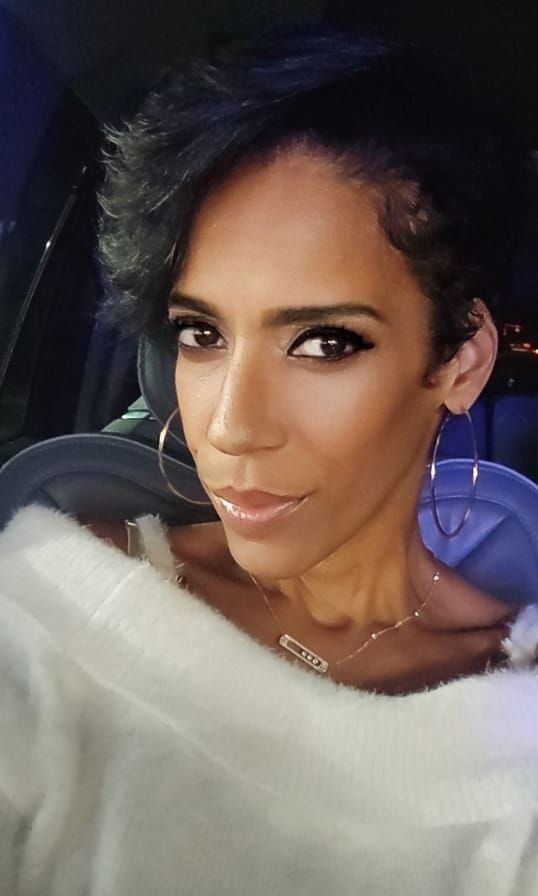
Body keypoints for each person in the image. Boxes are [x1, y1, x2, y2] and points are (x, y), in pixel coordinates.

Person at [1, 21, 537, 896]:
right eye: (201, 332)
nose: (230, 426)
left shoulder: (517, 736)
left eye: (323, 342)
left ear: (460, 362)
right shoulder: (54, 605)